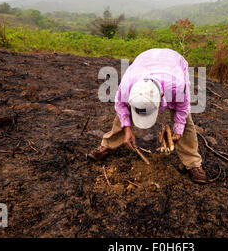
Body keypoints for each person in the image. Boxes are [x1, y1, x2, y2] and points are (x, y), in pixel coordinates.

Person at [88, 48, 207, 183]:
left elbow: (183, 107)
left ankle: (193, 163)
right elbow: (121, 107)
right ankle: (108, 145)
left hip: (173, 63)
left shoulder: (176, 86)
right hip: (144, 62)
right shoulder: (127, 87)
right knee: (122, 116)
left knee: (185, 120)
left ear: (161, 96)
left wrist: (179, 129)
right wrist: (127, 129)